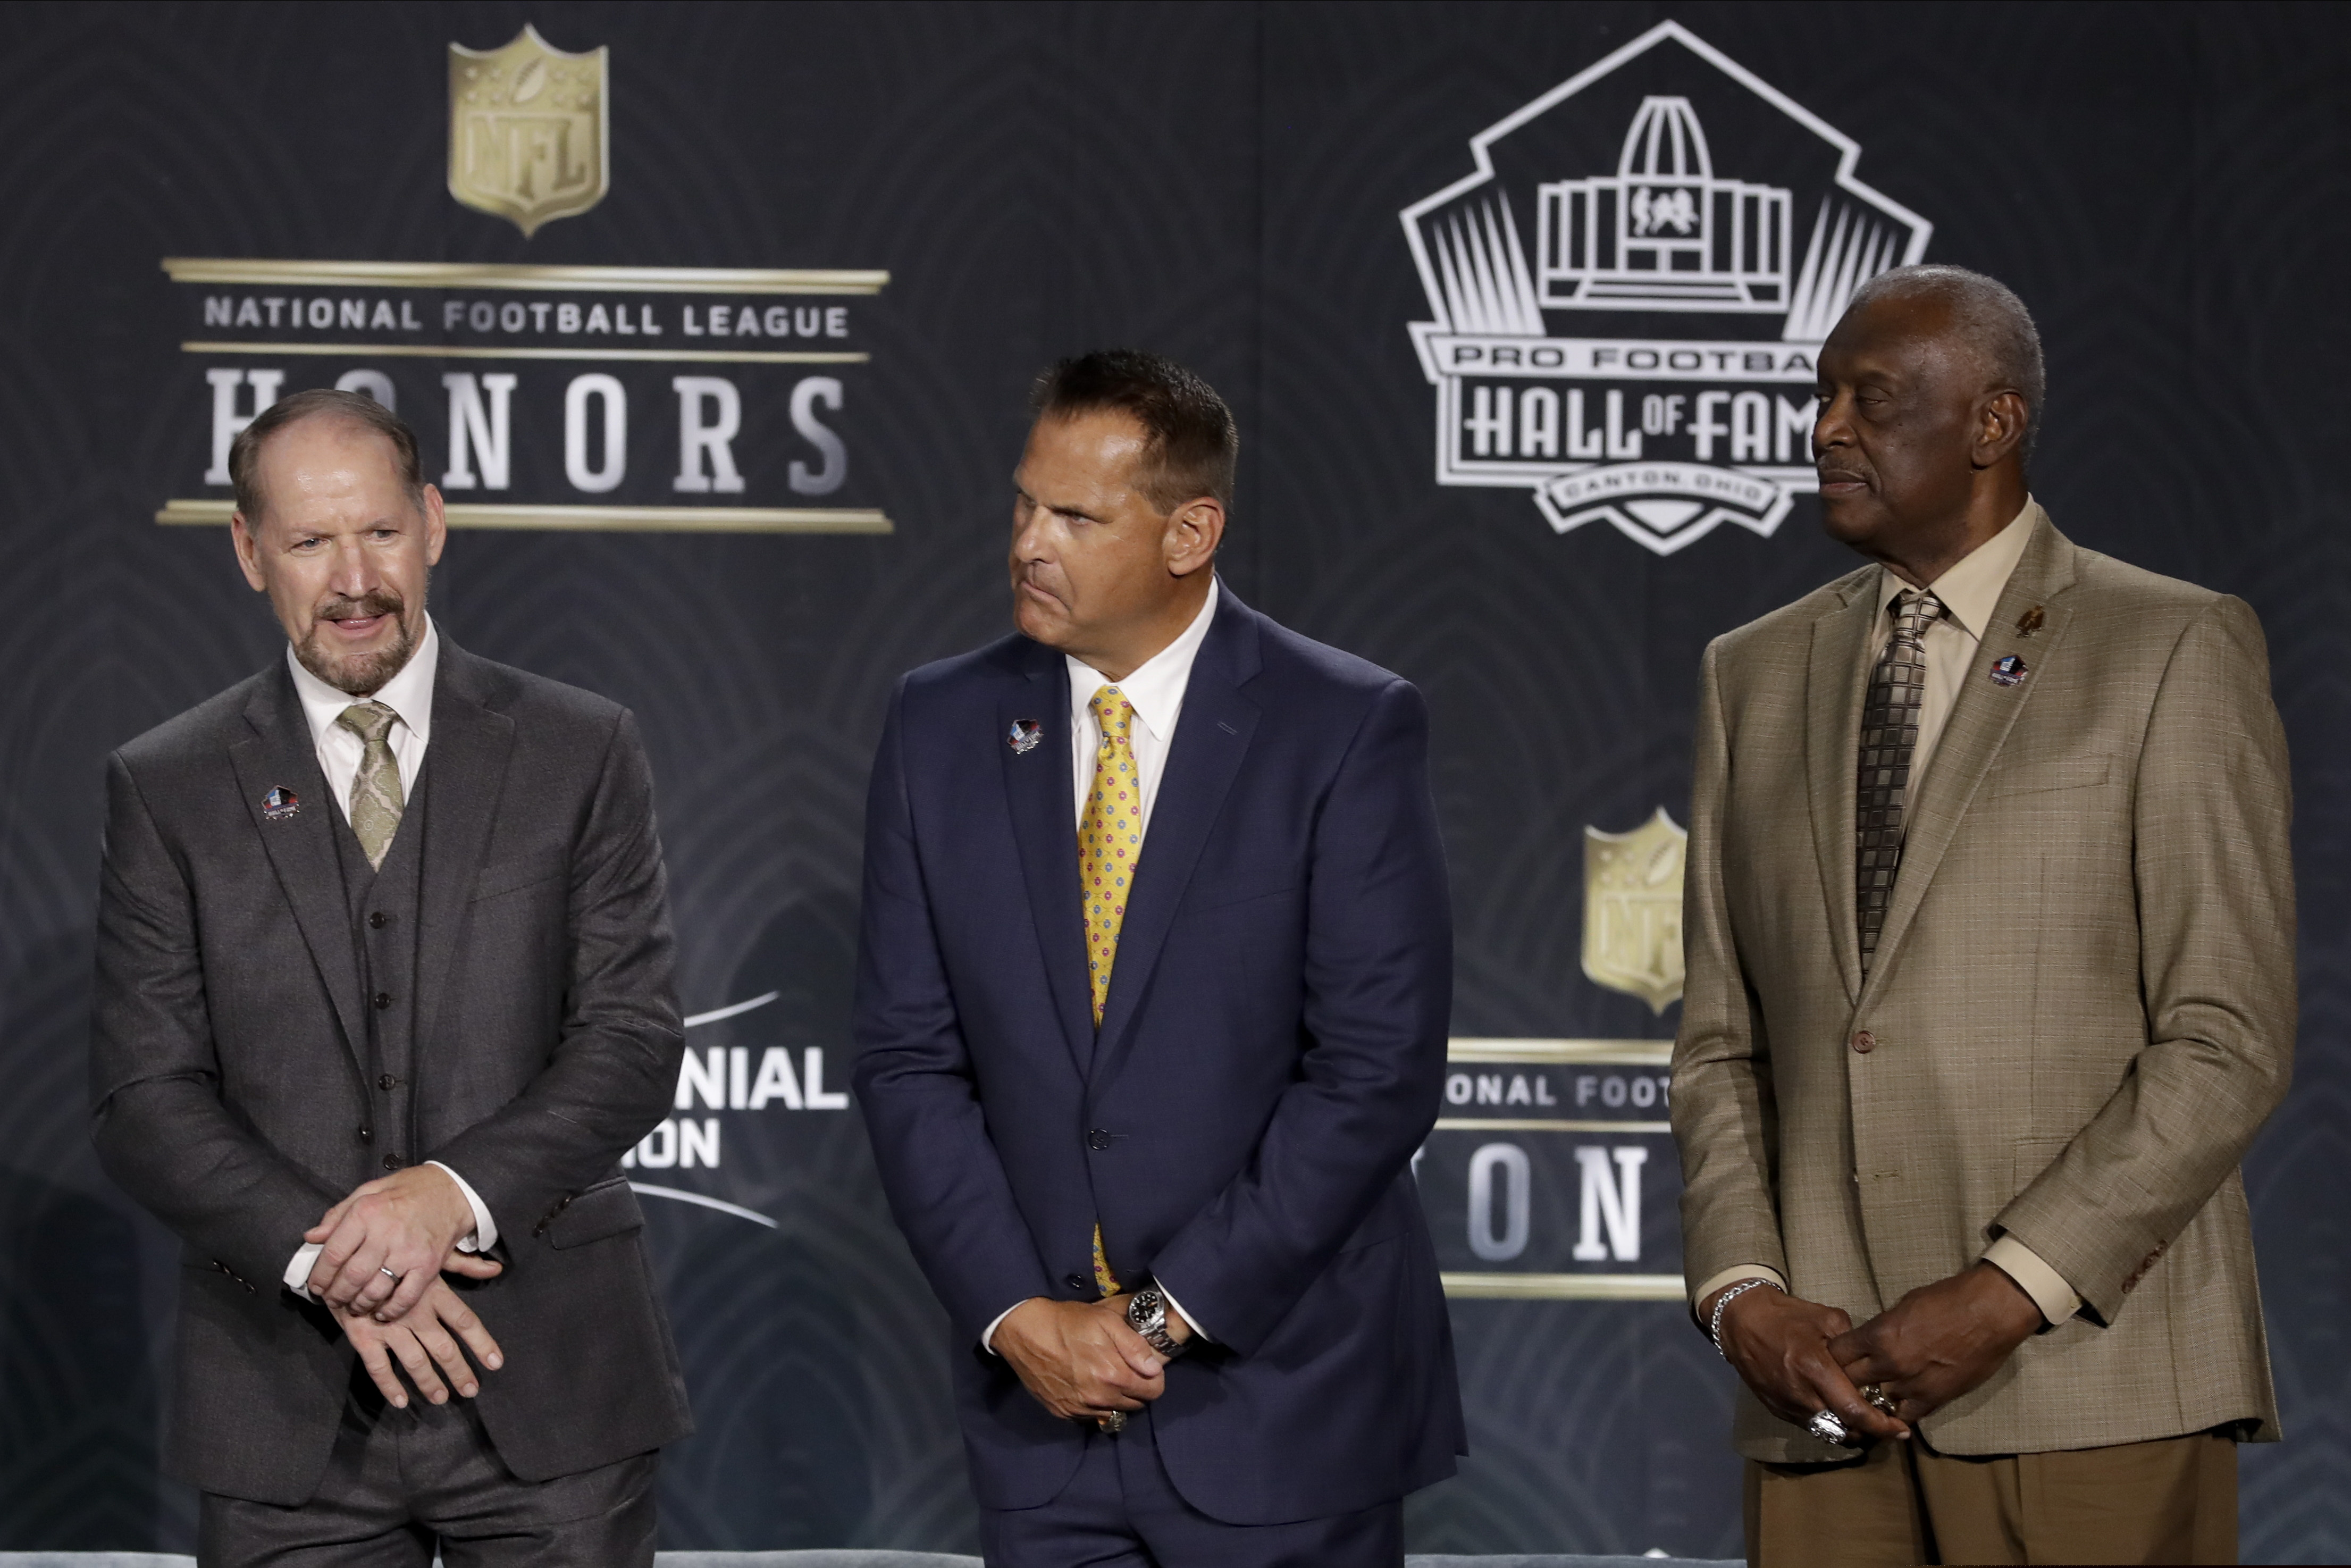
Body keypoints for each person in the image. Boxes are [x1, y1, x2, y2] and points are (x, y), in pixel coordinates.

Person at [1672, 265, 2293, 1566]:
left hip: (2091, 1386)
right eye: (1822, 395)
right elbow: (1724, 1042)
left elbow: (2224, 1035)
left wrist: (2012, 1290)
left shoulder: (2173, 646)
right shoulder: (1754, 672)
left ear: (1994, 424)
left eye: (1873, 399)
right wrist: (1743, 1297)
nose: (1827, 427)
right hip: (1823, 1403)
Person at [853, 350, 1463, 1565]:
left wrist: (1156, 1317)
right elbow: (906, 1058)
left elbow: (1375, 1072)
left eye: (1077, 516)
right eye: (1026, 502)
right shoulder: (942, 720)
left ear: (1192, 531)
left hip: (1282, 1408)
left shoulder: (1341, 725)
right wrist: (1021, 1317)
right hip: (1041, 1422)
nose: (1030, 541)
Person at [90, 389, 692, 1563]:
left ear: (433, 522)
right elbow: (144, 1099)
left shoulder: (581, 747)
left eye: (378, 531)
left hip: (553, 1393)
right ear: (249, 551)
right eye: (311, 542)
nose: (354, 577)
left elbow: (630, 1037)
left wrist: (447, 1194)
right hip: (283, 1408)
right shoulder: (166, 783)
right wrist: (343, 1266)